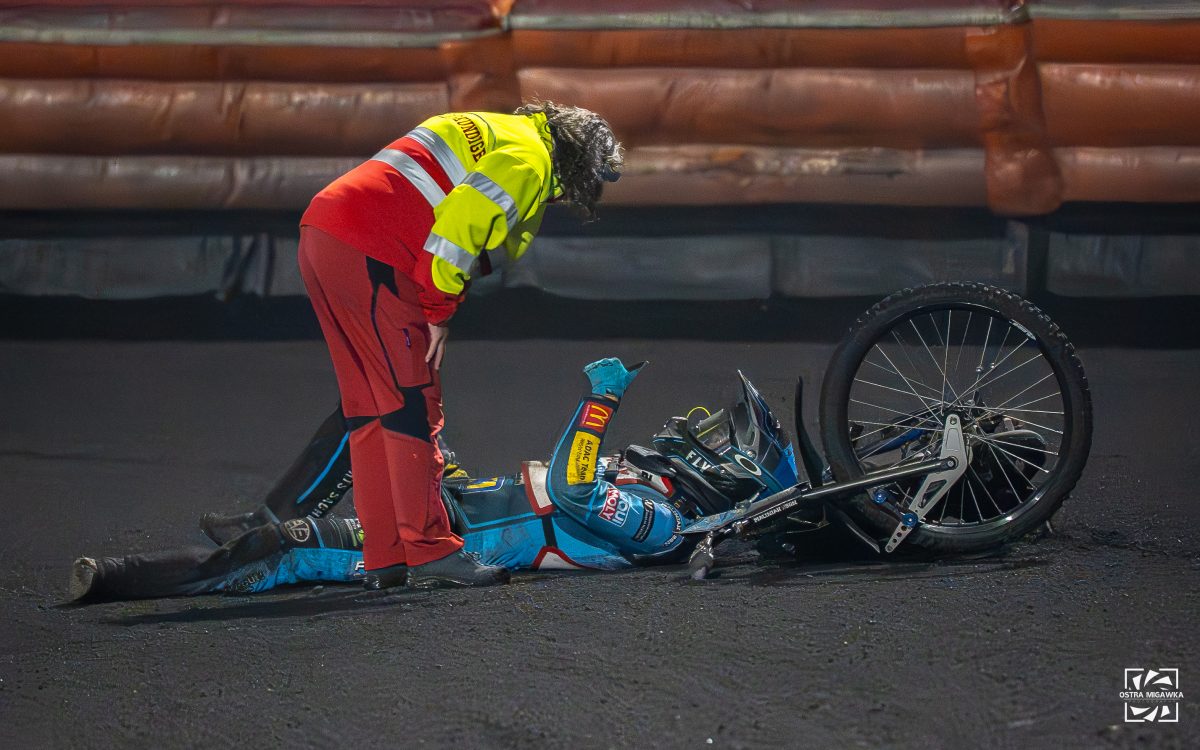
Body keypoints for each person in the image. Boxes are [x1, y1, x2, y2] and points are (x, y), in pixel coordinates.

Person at [68, 359, 802, 601]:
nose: (694, 429)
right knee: (376, 404)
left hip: (441, 548)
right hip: (446, 505)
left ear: (729, 475)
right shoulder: (654, 496)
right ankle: (262, 514)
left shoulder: (666, 524)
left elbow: (572, 491)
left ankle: (113, 579)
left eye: (718, 437)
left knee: (284, 549)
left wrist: (600, 403)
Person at [297, 103, 624, 588]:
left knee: (370, 410)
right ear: (574, 161)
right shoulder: (530, 160)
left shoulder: (501, 130)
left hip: (324, 232)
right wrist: (438, 311)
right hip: (373, 246)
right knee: (412, 406)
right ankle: (429, 550)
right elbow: (458, 229)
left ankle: (386, 556)